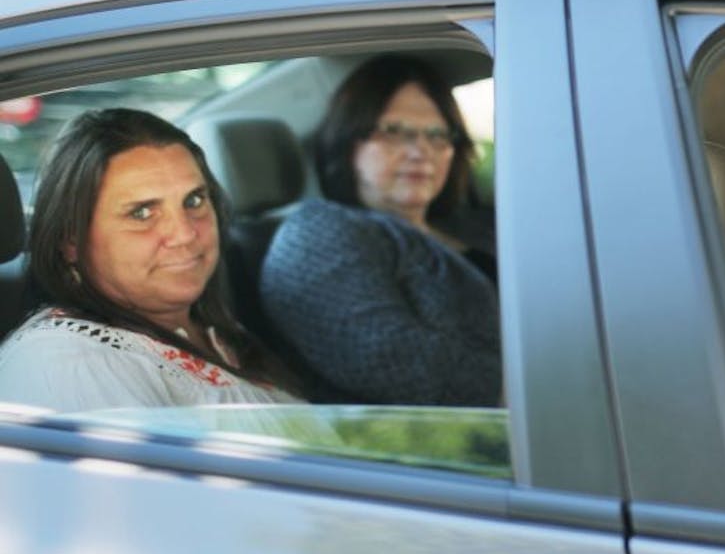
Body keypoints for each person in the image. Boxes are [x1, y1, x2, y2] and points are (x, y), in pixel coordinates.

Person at [0, 108, 298, 410]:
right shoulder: (70, 364)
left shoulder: (214, 329)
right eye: (141, 213)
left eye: (194, 200)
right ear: (71, 240)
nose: (184, 234)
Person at [261, 54, 501, 406]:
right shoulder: (317, 234)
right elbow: (396, 366)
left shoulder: (474, 223)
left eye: (437, 135)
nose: (421, 152)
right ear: (347, 142)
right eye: (394, 132)